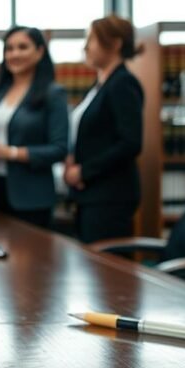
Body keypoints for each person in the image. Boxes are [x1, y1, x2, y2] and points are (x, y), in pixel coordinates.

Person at [63, 14, 144, 243]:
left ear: (116, 43)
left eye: (92, 40)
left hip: (111, 195)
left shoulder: (123, 84)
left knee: (105, 269)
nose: (85, 47)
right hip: (90, 194)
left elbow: (130, 142)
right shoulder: (99, 85)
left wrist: (84, 171)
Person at [0, 26, 69, 228]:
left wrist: (10, 153)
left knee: (30, 258)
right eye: (9, 48)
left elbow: (59, 149)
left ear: (39, 52)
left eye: (22, 47)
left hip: (30, 197)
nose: (14, 54)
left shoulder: (53, 94)